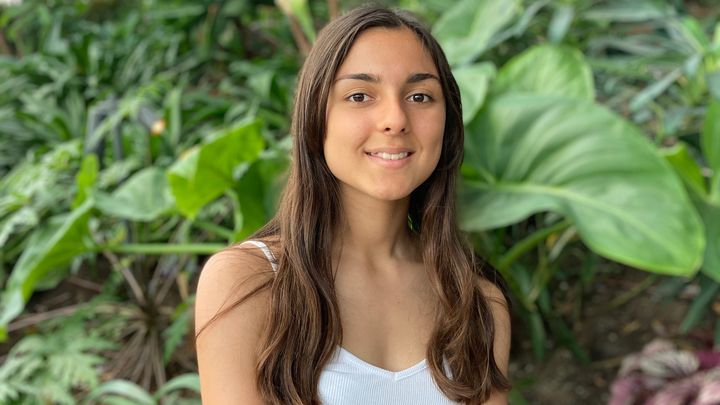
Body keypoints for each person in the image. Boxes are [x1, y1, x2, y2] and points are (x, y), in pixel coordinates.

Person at [195, 5, 511, 405]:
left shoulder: (477, 303)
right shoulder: (248, 282)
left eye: (420, 96)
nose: (395, 119)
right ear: (315, 118)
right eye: (359, 96)